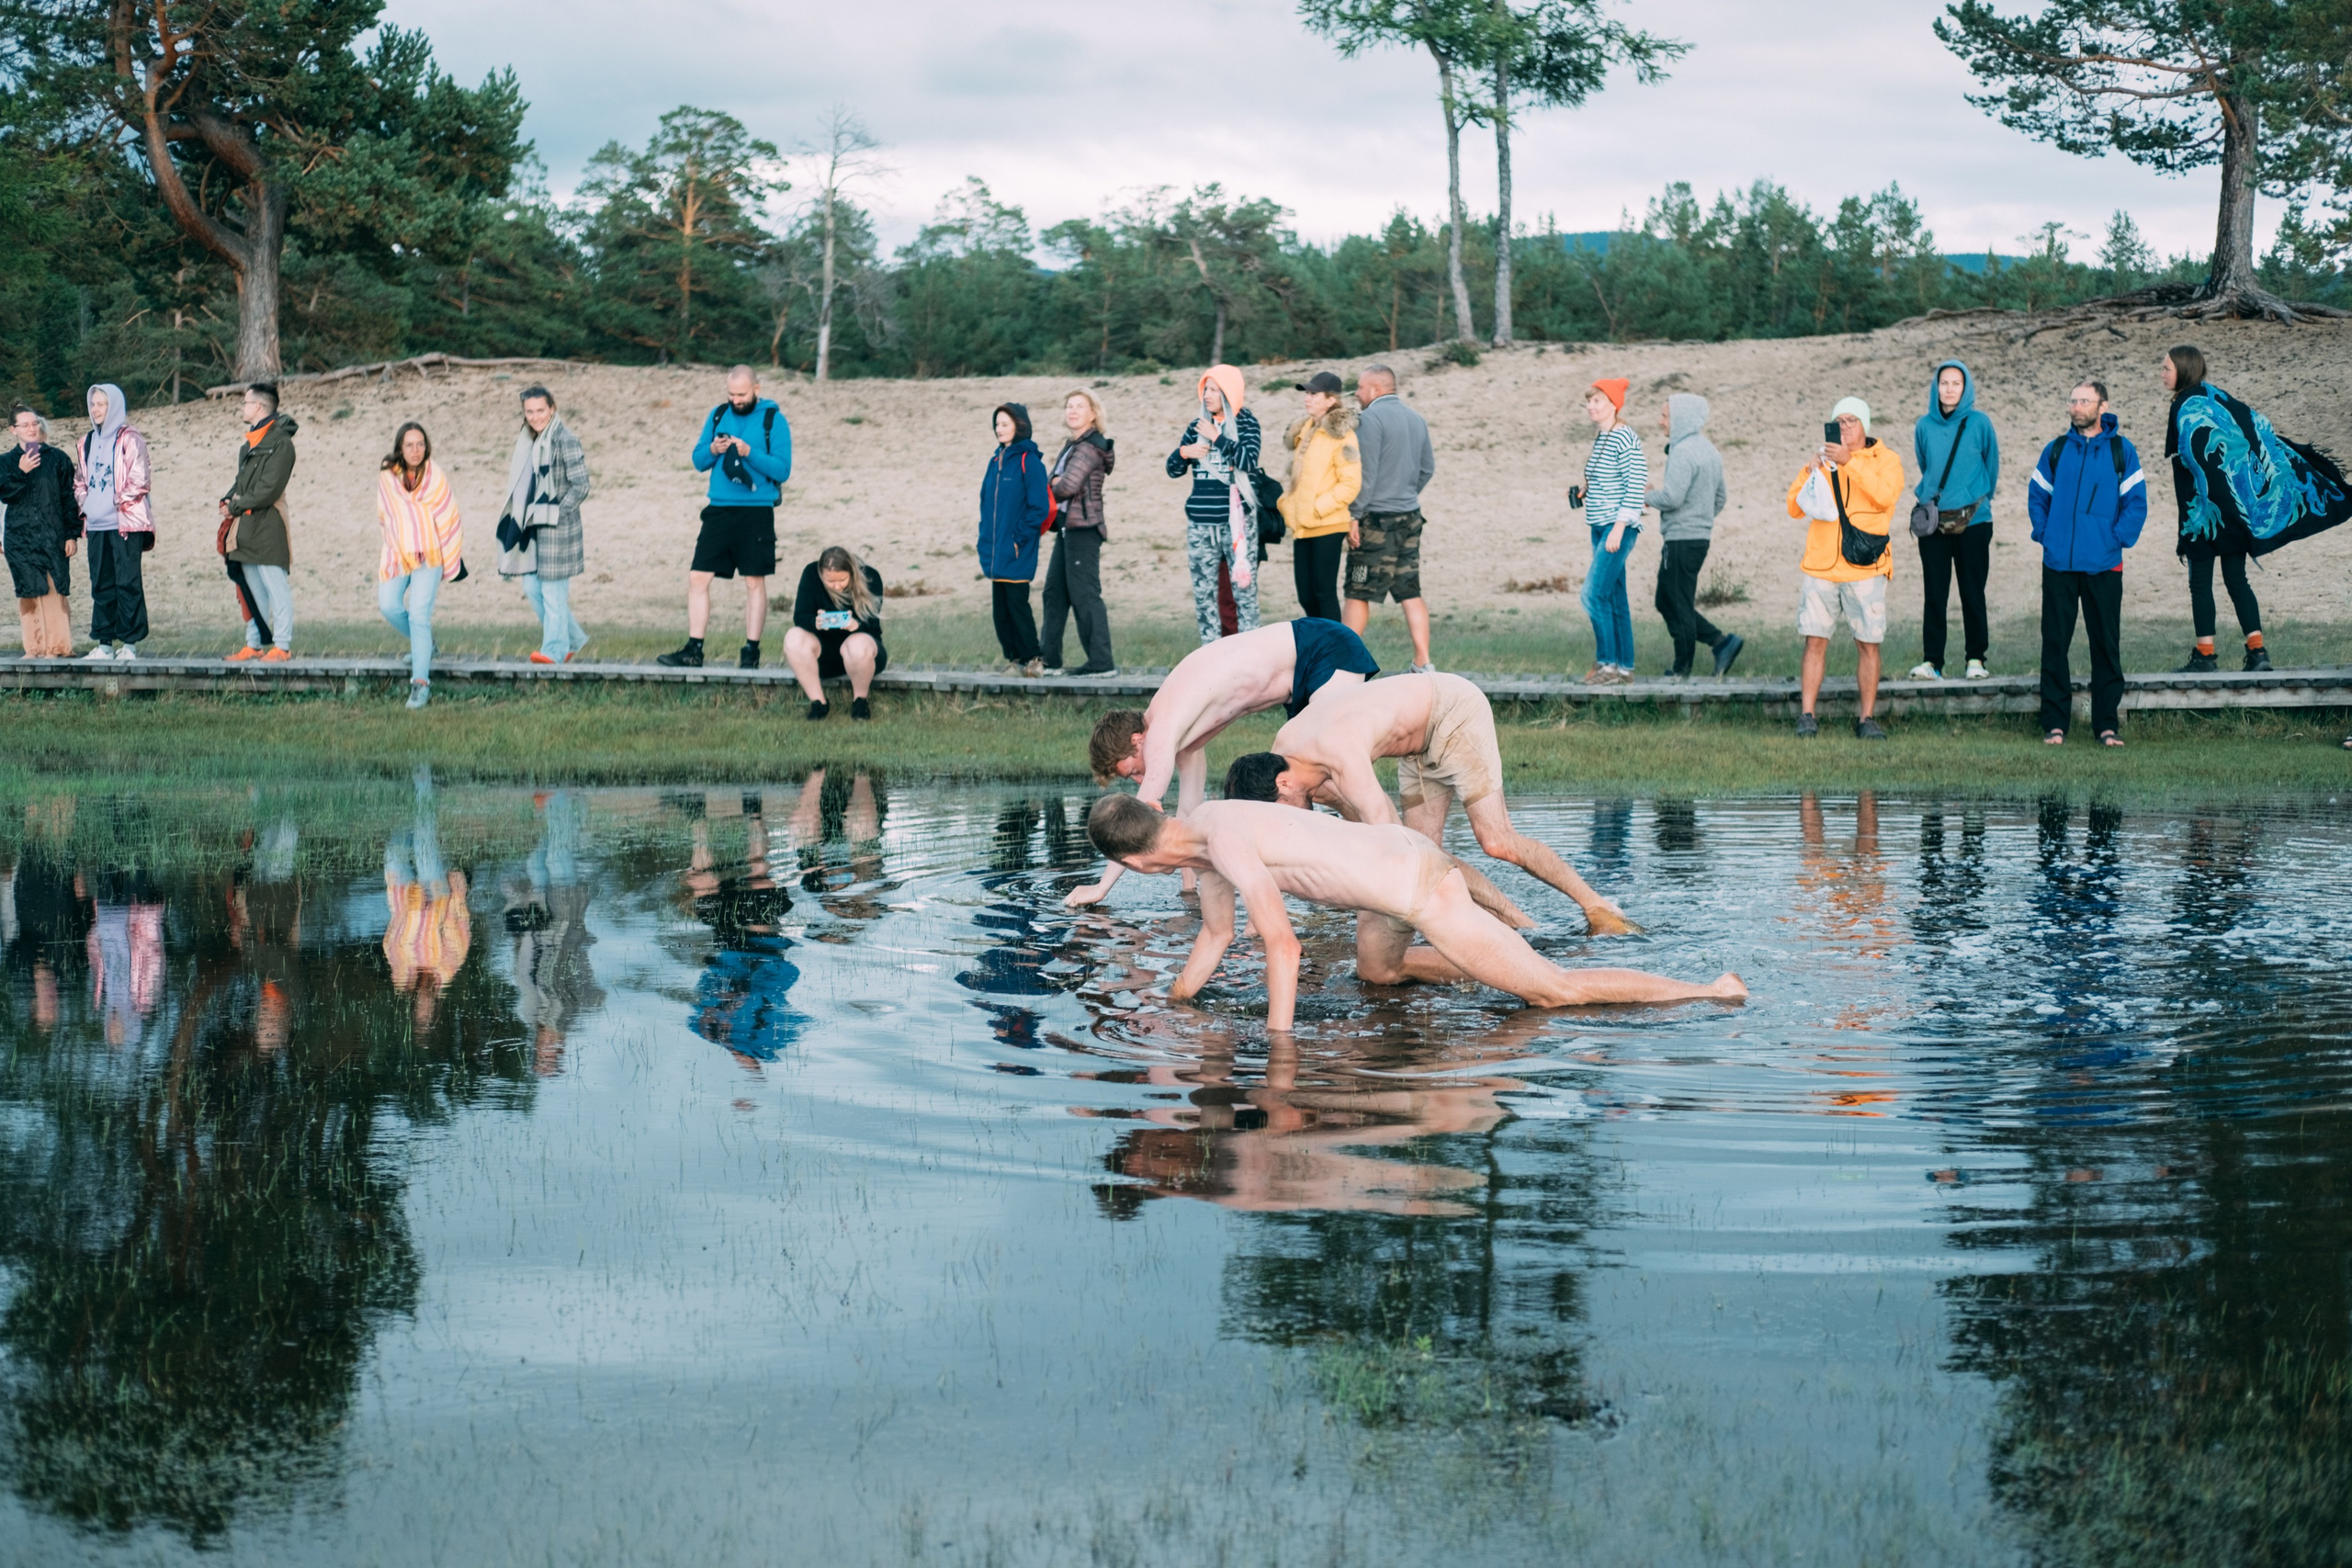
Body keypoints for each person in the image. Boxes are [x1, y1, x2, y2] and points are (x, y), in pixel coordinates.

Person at [1085, 795, 1744, 1034]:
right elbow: (1217, 933)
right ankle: (1489, 965)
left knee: (1554, 994)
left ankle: (1712, 990)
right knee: (1377, 971)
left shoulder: (1221, 842)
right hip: (1392, 868)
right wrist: (1176, 1000)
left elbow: (1281, 948)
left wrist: (1280, 1056)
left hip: (1421, 888)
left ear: (1139, 863)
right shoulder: (1203, 833)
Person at [1221, 671, 1640, 935]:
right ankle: (1524, 927)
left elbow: (1386, 834)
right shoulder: (1291, 758)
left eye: (1278, 813)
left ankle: (1599, 908)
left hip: (1452, 711)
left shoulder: (1338, 755)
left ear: (1283, 782)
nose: (1283, 826)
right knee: (1429, 856)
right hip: (1416, 747)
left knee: (1495, 840)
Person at [1069, 617, 1377, 908]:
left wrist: (1101, 888)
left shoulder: (1162, 728)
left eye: (1135, 770)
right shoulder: (1182, 739)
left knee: (1324, 770)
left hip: (1322, 648)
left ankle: (1380, 856)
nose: (1139, 779)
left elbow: (1138, 817)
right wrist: (1188, 892)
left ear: (1137, 741)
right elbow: (1187, 816)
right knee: (1311, 784)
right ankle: (1356, 857)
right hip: (1308, 665)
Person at [2163, 344, 2352, 673]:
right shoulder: (2217, 396)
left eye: (2166, 367)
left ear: (2184, 369)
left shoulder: (2184, 404)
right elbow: (2257, 426)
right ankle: (2258, 652)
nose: (2161, 373)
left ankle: (2205, 656)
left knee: (2200, 583)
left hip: (2205, 513)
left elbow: (2189, 459)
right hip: (2237, 511)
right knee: (2237, 580)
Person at [2028, 381, 2145, 748]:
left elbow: (2136, 504)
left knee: (2106, 647)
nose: (2076, 407)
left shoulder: (2121, 451)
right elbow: (2037, 496)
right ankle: (2055, 725)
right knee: (2055, 644)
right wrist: (2047, 535)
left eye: (2084, 401)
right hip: (2059, 563)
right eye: (2073, 400)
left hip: (2104, 565)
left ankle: (2107, 726)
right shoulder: (2056, 450)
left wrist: (2115, 539)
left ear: (2102, 405)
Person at [661, 365, 791, 670]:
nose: (735, 400)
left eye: (741, 394)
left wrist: (749, 452)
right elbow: (698, 460)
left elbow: (783, 469)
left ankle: (751, 653)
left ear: (756, 390)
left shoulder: (774, 420)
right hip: (718, 508)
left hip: (757, 510)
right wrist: (713, 448)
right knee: (697, 577)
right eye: (731, 394)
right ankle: (694, 650)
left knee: (753, 582)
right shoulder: (718, 414)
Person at [1785, 397, 1900, 739]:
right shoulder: (1822, 459)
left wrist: (1849, 462)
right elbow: (1794, 507)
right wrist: (1809, 471)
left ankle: (1866, 719)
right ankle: (1807, 715)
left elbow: (1885, 496)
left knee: (1868, 644)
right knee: (1814, 642)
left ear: (1866, 425)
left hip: (1866, 568)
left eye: (1852, 420)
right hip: (1821, 565)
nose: (1845, 426)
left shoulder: (1886, 460)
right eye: (1839, 420)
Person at [1907, 360, 2000, 681]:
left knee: (1972, 591)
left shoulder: (1980, 423)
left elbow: (1992, 467)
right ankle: (1932, 662)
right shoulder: (1924, 426)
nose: (1949, 389)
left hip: (1974, 521)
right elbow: (1925, 464)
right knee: (1935, 593)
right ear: (1936, 387)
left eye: (1956, 384)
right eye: (1944, 383)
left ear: (1966, 387)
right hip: (1933, 521)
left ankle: (1976, 660)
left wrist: (1974, 497)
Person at [1344, 364, 1437, 671]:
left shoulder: (1369, 419)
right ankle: (1423, 662)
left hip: (1376, 521)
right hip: (1410, 517)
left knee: (1358, 592)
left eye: (1359, 387)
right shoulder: (1417, 419)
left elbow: (1365, 473)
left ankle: (1343, 661)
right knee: (1409, 590)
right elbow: (1427, 469)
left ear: (1376, 389)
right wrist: (1406, 492)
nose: (1356, 393)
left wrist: (1354, 514)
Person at [1646, 392, 1739, 680]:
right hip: (1697, 538)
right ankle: (1722, 642)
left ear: (1681, 419)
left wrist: (1647, 495)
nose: (1660, 421)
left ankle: (1681, 669)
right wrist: (1701, 519)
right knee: (1666, 600)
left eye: (1665, 416)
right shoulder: (1709, 449)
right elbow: (1721, 496)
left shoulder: (1683, 450)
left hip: (1682, 540)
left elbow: (1672, 498)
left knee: (1677, 602)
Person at [498, 385, 593, 665]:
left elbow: (581, 485)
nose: (536, 416)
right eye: (530, 411)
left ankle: (554, 650)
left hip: (558, 529)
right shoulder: (530, 440)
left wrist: (556, 513)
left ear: (552, 408)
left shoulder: (565, 439)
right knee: (531, 588)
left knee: (553, 593)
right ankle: (573, 638)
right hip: (532, 529)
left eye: (541, 410)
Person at [373, 421, 464, 710]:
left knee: (419, 616)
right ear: (400, 447)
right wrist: (403, 541)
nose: (415, 450)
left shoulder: (436, 476)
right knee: (388, 605)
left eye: (420, 444)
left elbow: (450, 516)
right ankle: (426, 645)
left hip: (431, 555)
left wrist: (442, 553)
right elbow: (387, 515)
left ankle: (420, 684)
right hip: (398, 552)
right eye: (409, 444)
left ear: (427, 446)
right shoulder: (388, 477)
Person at [1169, 365, 1261, 645]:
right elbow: (1172, 469)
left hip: (1238, 525)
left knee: (1244, 593)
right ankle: (1210, 657)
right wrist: (1184, 452)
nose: (1206, 396)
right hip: (1200, 523)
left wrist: (1217, 437)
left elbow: (1248, 460)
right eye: (1205, 389)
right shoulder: (1196, 426)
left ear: (1228, 393)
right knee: (1204, 595)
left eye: (1213, 390)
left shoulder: (1247, 423)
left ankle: (1252, 657)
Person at [71, 383, 153, 660]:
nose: (95, 409)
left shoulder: (130, 439)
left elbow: (140, 480)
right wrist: (89, 506)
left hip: (125, 524)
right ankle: (104, 645)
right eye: (92, 404)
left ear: (114, 406)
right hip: (96, 526)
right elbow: (80, 482)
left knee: (127, 582)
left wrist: (112, 502)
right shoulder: (86, 442)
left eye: (101, 404)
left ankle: (129, 645)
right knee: (101, 584)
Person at [1041, 388, 1117, 676]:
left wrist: (1053, 482)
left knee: (1085, 595)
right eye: (1069, 406)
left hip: (1084, 529)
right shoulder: (1073, 444)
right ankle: (1048, 660)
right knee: (1054, 593)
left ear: (1093, 413)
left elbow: (1066, 487)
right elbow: (1054, 480)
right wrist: (1054, 480)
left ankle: (1101, 663)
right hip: (1068, 528)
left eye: (1079, 406)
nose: (1072, 411)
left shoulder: (1087, 448)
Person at [220, 382, 297, 662]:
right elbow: (242, 482)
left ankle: (283, 646)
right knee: (251, 592)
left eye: (245, 403)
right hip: (248, 527)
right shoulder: (250, 443)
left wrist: (235, 505)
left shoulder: (281, 443)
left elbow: (269, 489)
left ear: (259, 407)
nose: (242, 407)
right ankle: (253, 644)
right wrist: (227, 499)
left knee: (277, 588)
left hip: (268, 526)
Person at [1575, 378, 1645, 684]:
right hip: (1599, 525)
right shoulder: (1602, 437)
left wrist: (1618, 530)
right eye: (1589, 401)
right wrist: (1586, 488)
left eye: (1598, 401)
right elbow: (1609, 477)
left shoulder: (1625, 438)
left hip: (1617, 529)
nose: (1591, 406)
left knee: (1593, 595)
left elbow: (1636, 484)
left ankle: (1607, 665)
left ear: (1614, 405)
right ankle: (1624, 667)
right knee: (1615, 598)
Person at [1278, 370, 1360, 623]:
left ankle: (1337, 655)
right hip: (1303, 525)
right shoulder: (1305, 429)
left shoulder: (1342, 435)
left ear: (1330, 400)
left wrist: (1318, 508)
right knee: (1307, 596)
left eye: (1314, 393)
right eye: (1307, 393)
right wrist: (1288, 506)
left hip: (1327, 524)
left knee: (1323, 594)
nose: (1307, 398)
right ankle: (1321, 650)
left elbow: (1351, 483)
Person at [1, 407, 79, 658]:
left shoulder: (58, 459)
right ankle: (33, 649)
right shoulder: (5, 462)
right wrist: (20, 472)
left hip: (52, 535)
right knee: (29, 591)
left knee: (55, 589)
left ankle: (58, 648)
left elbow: (70, 499)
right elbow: (5, 494)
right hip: (19, 537)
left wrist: (71, 534)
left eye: (34, 423)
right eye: (24, 425)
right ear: (13, 430)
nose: (32, 428)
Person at [979, 401, 1048, 675]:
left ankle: (1033, 659)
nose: (1000, 429)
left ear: (1020, 425)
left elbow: (1039, 508)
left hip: (1017, 550)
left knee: (1018, 607)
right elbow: (986, 504)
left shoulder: (1028, 461)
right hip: (995, 550)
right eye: (997, 424)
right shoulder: (995, 461)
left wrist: (1018, 538)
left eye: (1005, 424)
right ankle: (1014, 659)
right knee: (1001, 612)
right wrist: (984, 539)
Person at [785, 545, 886, 721]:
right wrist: (815, 622)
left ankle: (860, 702)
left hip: (864, 655)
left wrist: (856, 626)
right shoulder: (811, 574)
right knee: (793, 637)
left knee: (857, 644)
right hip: (824, 653)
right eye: (830, 582)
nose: (837, 586)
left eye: (842, 580)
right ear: (821, 574)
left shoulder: (870, 577)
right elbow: (800, 616)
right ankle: (818, 703)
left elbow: (874, 627)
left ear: (852, 573)